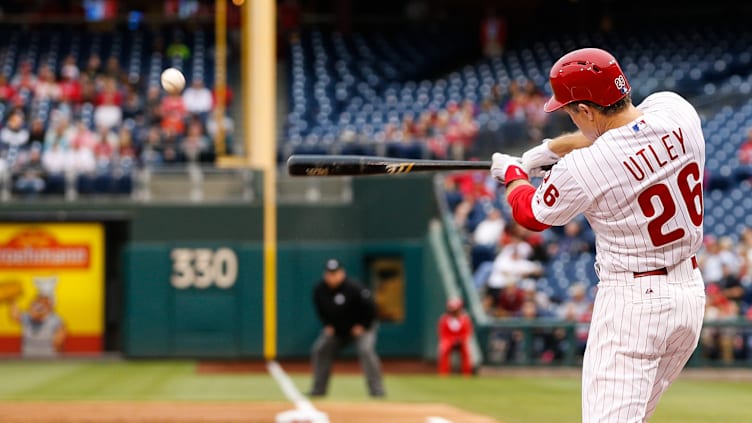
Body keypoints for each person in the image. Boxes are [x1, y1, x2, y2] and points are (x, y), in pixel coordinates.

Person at [490, 48, 706, 422]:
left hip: (634, 305)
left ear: (586, 111)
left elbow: (531, 213)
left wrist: (513, 174)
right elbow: (622, 132)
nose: (573, 116)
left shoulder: (586, 166)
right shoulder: (676, 110)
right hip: (689, 298)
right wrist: (549, 150)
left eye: (573, 110)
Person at [309, 259, 385, 398]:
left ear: (342, 273)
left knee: (366, 350)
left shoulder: (354, 287)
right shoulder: (320, 289)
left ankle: (377, 389)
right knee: (320, 349)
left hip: (361, 328)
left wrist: (363, 325)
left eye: (335, 273)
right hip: (338, 331)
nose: (332, 276)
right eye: (329, 273)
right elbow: (320, 311)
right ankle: (318, 389)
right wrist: (327, 324)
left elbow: (371, 308)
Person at [437, 298, 474, 376]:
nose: (453, 311)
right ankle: (444, 374)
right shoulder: (444, 319)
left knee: (466, 351)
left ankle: (467, 374)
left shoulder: (465, 319)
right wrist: (451, 340)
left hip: (461, 340)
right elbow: (442, 334)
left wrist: (460, 339)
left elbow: (467, 332)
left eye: (455, 309)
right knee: (444, 349)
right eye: (451, 309)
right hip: (448, 340)